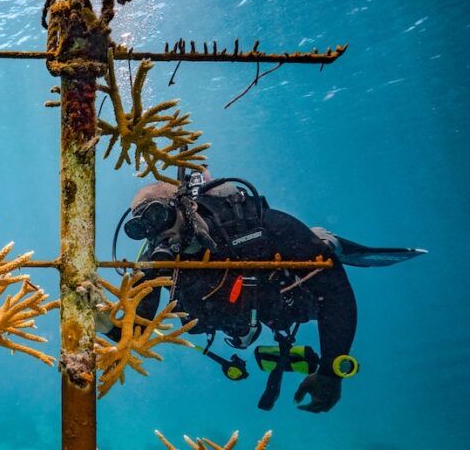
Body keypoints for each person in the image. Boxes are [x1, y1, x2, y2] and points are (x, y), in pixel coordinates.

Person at [101, 171, 424, 413]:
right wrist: (106, 326)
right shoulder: (155, 261)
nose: (158, 232)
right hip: (232, 316)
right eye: (142, 227)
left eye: (159, 215)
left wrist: (330, 371)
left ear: (185, 205)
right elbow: (137, 331)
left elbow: (333, 294)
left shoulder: (258, 225)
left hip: (284, 302)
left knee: (318, 262)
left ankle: (327, 241)